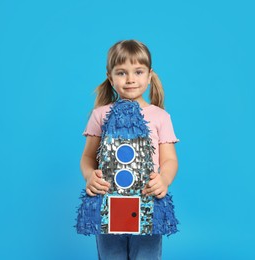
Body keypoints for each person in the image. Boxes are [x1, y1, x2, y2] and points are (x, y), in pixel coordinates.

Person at [78, 39, 179, 260]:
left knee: (146, 256)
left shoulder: (161, 117)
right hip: (108, 199)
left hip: (147, 199)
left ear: (150, 75)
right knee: (111, 255)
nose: (131, 79)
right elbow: (87, 156)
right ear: (110, 77)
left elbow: (170, 159)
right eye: (122, 72)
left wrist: (164, 180)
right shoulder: (100, 115)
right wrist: (89, 176)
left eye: (138, 71)